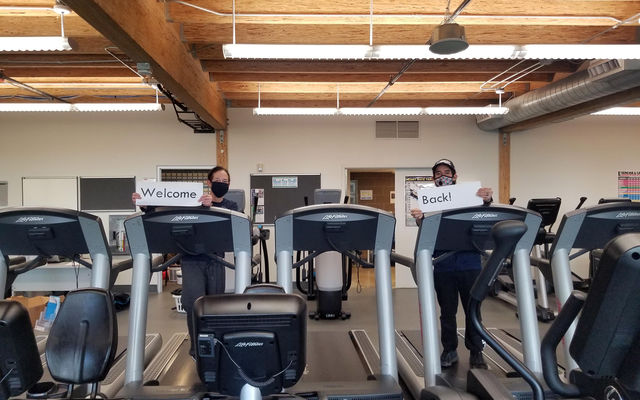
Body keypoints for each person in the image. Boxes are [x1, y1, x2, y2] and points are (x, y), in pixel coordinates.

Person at [132, 166, 238, 358]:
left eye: (225, 182)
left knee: (215, 304)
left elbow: (229, 224)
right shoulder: (194, 202)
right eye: (218, 180)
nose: (221, 184)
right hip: (191, 259)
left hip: (216, 261)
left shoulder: (231, 205)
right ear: (209, 182)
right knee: (193, 303)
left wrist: (212, 207)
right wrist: (145, 204)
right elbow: (167, 208)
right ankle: (197, 347)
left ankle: (216, 342)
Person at [410, 158, 492, 370]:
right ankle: (450, 350)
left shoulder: (470, 197)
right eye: (438, 173)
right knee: (447, 312)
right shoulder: (429, 201)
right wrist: (420, 219)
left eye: (447, 172)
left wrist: (487, 199)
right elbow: (427, 230)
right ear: (433, 179)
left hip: (470, 263)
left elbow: (483, 212)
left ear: (455, 176)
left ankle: (476, 352)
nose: (442, 176)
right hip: (443, 265)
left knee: (473, 310)